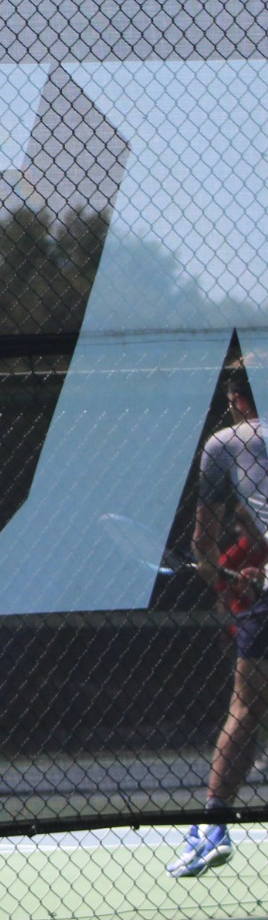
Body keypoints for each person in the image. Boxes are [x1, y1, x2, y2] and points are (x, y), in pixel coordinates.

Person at [172, 361, 268, 878]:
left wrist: (219, 573)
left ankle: (211, 825)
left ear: (235, 401)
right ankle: (208, 829)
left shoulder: (224, 444)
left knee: (246, 707)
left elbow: (202, 549)